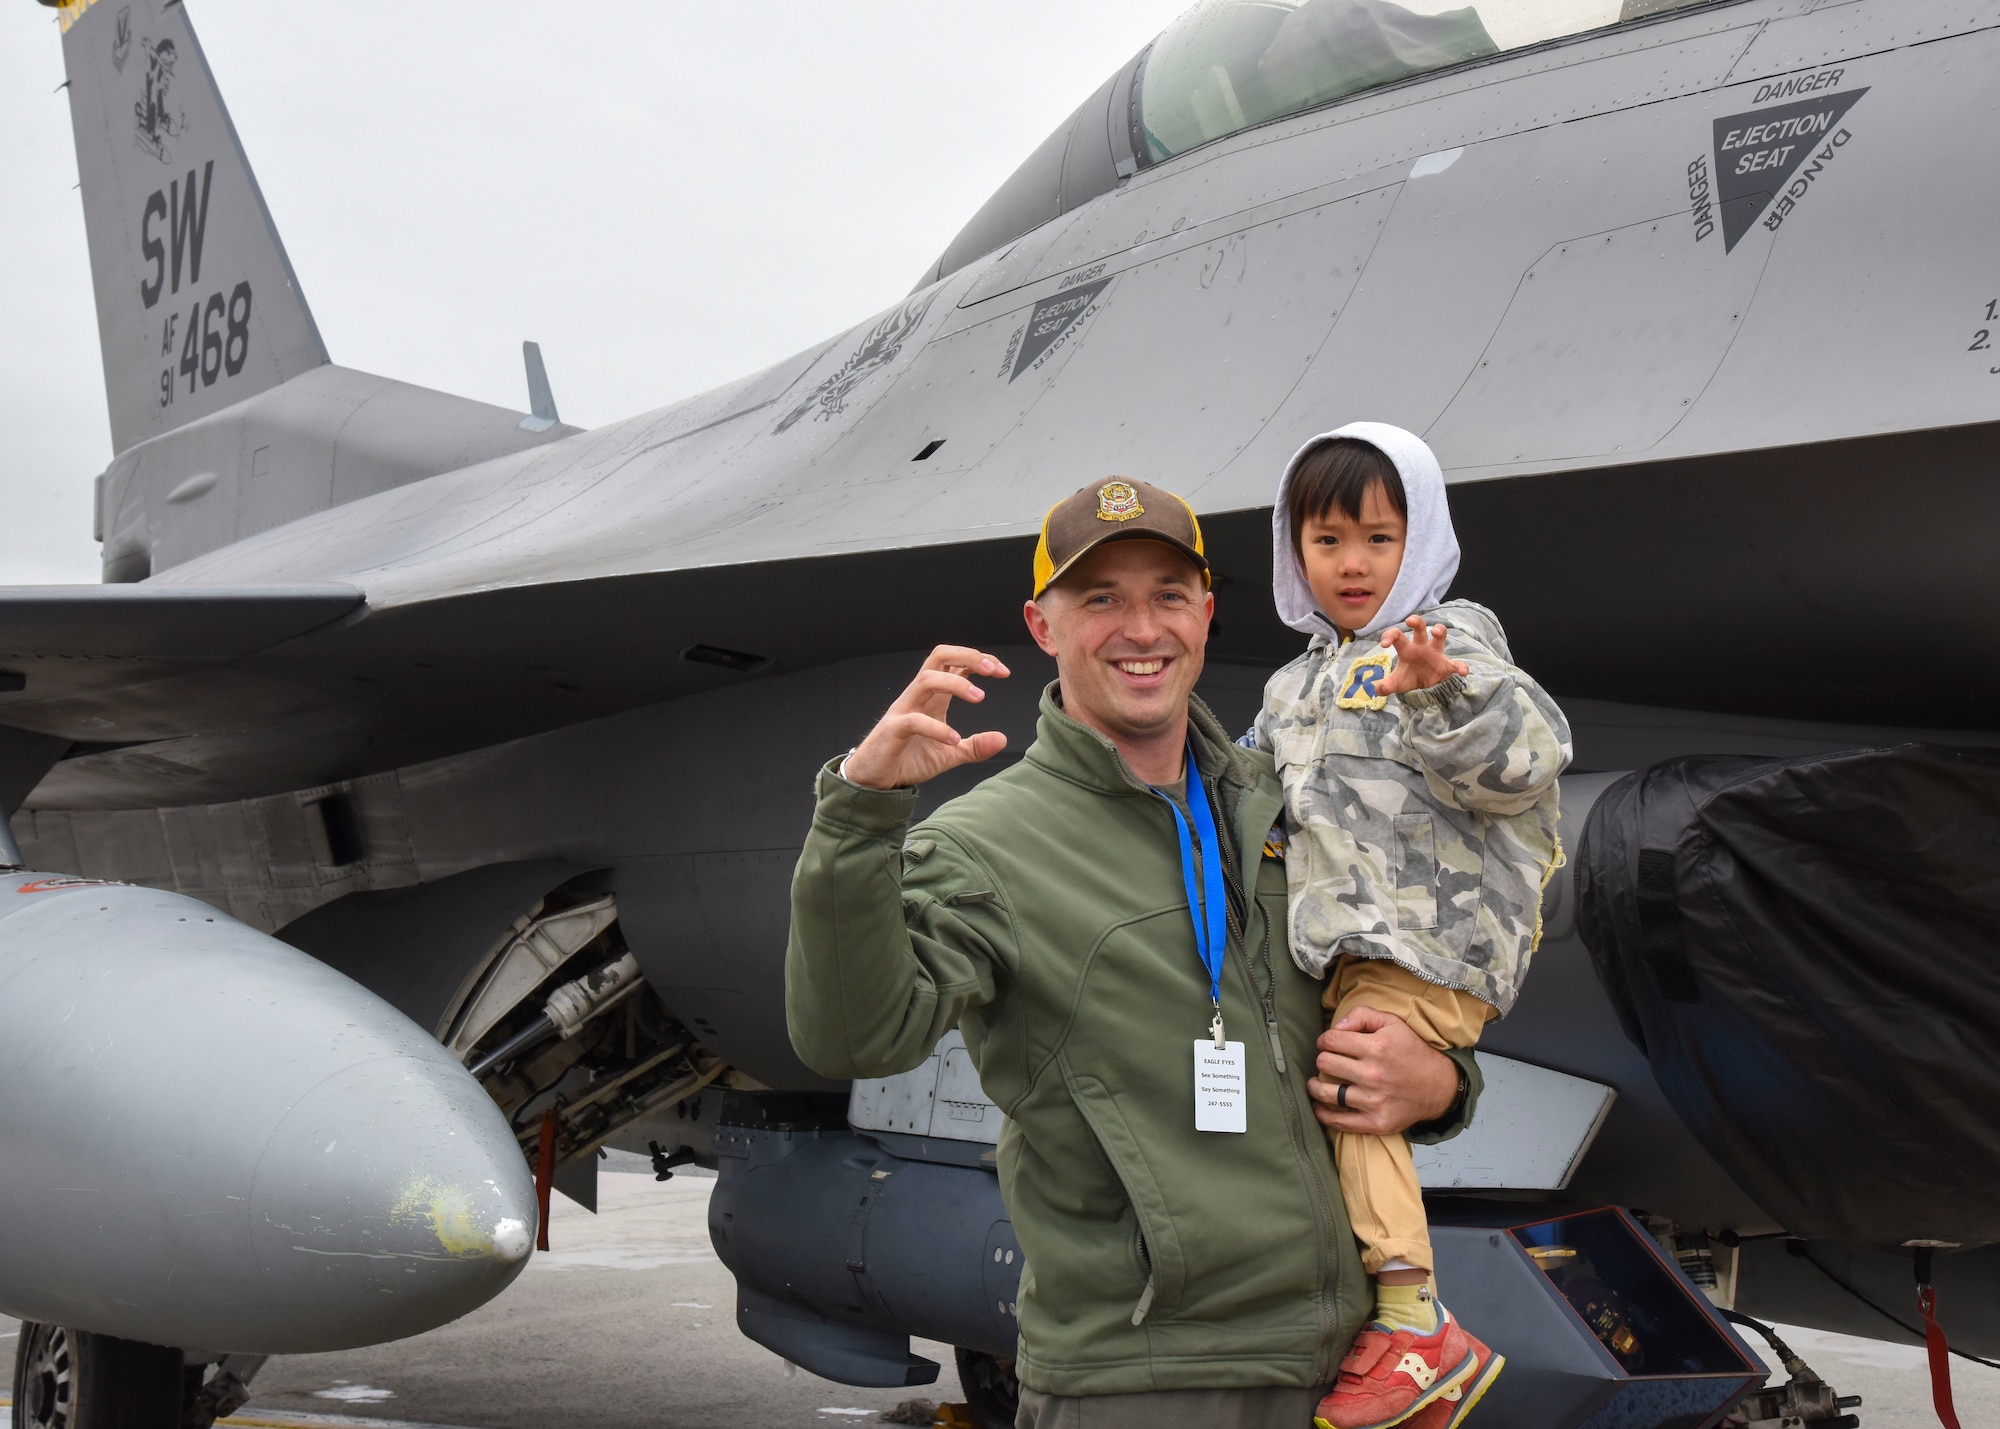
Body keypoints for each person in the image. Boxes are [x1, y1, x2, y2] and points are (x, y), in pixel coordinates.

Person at [787, 477, 1483, 1429]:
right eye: (1100, 597)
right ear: (1043, 624)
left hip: (1353, 1372)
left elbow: (1398, 975)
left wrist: (1439, 1084)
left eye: (1167, 592)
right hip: (1140, 1380)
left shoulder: (1286, 803)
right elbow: (854, 1037)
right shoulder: (987, 842)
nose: (1141, 627)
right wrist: (858, 816)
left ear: (1206, 612)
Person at [1244, 425, 1572, 1429]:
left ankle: (1413, 1319)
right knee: (1318, 1089)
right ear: (1291, 547)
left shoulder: (1448, 639)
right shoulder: (1292, 683)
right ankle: (1387, 1349)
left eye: (1380, 538)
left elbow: (1524, 762)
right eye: (1328, 538)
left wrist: (1438, 696)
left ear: (1420, 538)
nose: (1352, 563)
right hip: (1341, 947)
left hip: (1435, 938)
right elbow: (1251, 793)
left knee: (1352, 1082)